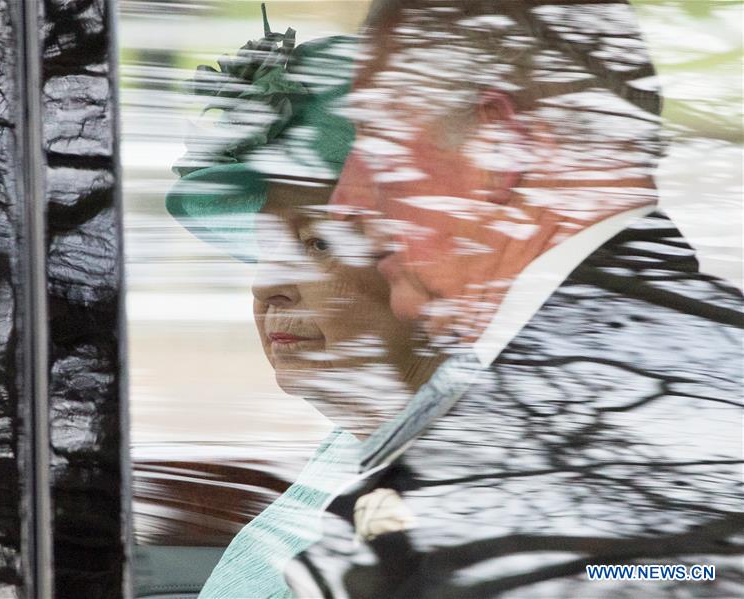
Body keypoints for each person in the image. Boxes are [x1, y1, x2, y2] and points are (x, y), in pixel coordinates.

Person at [286, 1, 744, 597]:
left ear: (497, 146)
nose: (345, 203)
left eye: (376, 141)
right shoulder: (677, 359)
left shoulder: (562, 421)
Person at [160, 18, 439, 598]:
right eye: (267, 248)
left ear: (429, 262)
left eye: (316, 244)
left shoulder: (456, 473)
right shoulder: (357, 444)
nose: (266, 286)